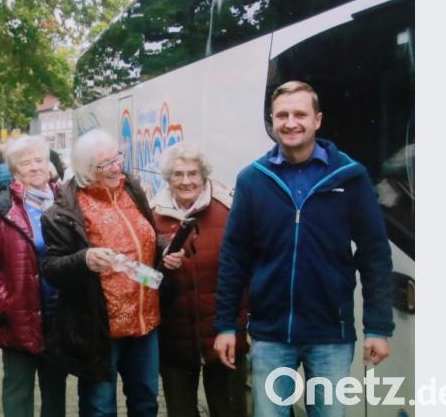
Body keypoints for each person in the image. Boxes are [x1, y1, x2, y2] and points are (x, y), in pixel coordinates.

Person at [213, 80, 394, 416]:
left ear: (318, 120)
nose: (291, 122)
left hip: (331, 336)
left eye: (300, 113)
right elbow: (234, 257)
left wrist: (378, 327)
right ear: (271, 121)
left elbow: (374, 255)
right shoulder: (253, 179)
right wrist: (225, 325)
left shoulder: (349, 177)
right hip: (270, 337)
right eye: (282, 115)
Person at [41, 128, 162, 417]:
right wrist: (85, 259)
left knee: (146, 401)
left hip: (145, 319)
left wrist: (167, 250)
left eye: (116, 158)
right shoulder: (63, 211)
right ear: (85, 169)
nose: (115, 167)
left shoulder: (131, 189)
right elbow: (51, 268)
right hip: (99, 326)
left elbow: (148, 235)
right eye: (105, 164)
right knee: (100, 408)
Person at [0, 135, 67, 417]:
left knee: (55, 390)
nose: (35, 167)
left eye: (39, 160)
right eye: (26, 163)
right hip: (19, 316)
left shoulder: (65, 200)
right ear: (15, 172)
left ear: (49, 164)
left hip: (58, 315)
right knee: (17, 389)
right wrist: (6, 304)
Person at [150, 141, 248, 417]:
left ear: (203, 176)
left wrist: (244, 319)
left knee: (229, 409)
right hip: (175, 338)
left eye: (192, 173)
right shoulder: (152, 215)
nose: (186, 181)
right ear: (168, 179)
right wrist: (162, 266)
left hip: (223, 333)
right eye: (178, 174)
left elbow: (246, 266)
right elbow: (146, 278)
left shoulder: (227, 209)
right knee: (180, 411)